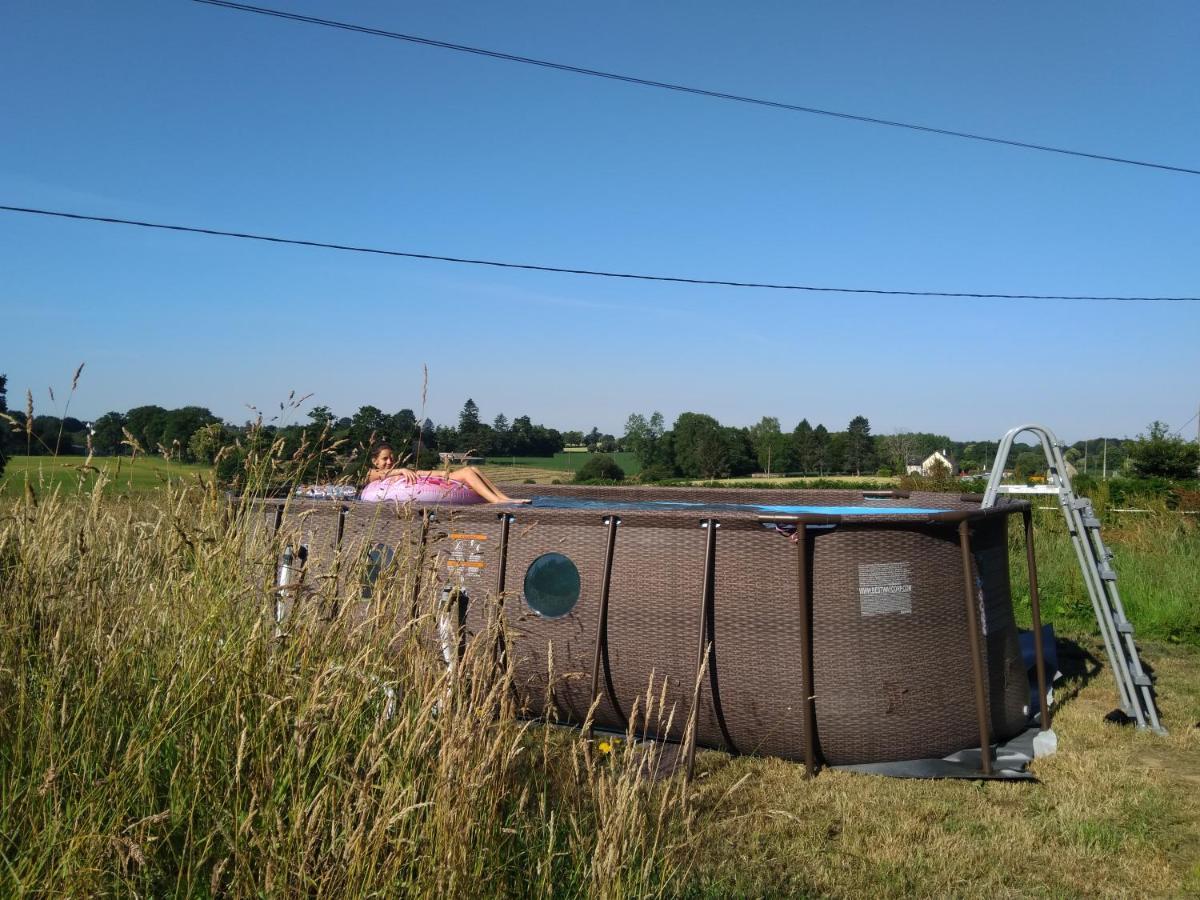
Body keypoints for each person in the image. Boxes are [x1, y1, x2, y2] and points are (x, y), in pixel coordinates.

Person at [365, 443, 529, 504]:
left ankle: (503, 498)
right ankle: (496, 501)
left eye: (391, 458)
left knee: (473, 469)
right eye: (385, 459)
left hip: (428, 481)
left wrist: (442, 473)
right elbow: (379, 475)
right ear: (375, 461)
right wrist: (401, 470)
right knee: (466, 471)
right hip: (406, 492)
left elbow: (420, 473)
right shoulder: (372, 473)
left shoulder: (402, 473)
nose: (389, 461)